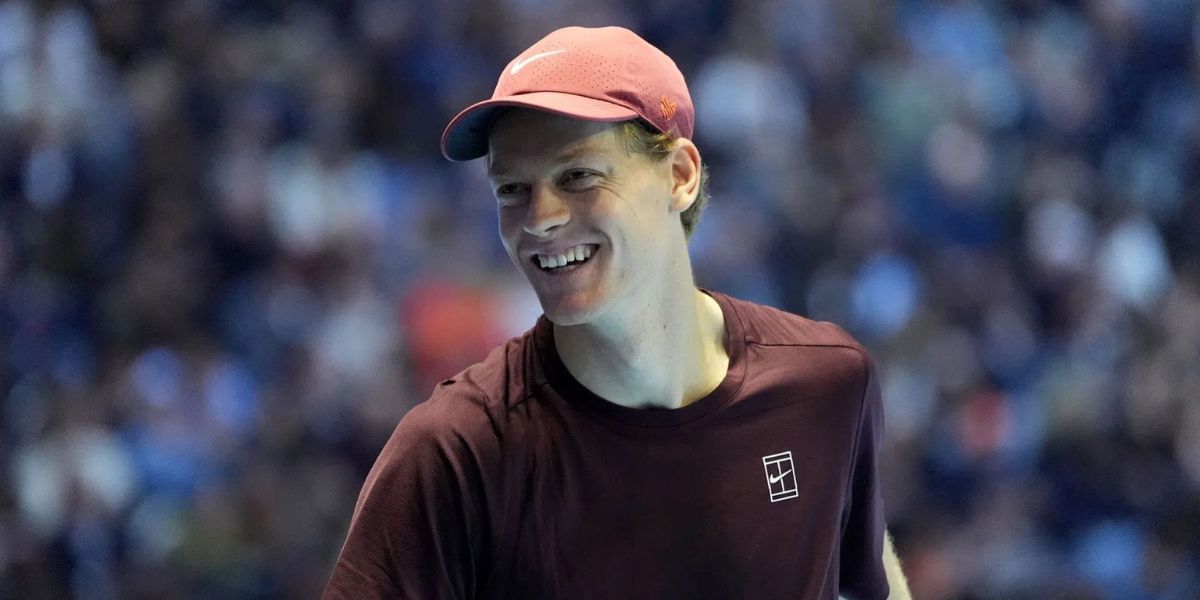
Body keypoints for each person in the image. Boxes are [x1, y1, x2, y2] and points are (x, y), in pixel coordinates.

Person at [323, 25, 912, 600]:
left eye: (577, 176)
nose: (539, 218)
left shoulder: (827, 382)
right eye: (511, 190)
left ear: (679, 176)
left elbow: (868, 574)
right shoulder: (454, 454)